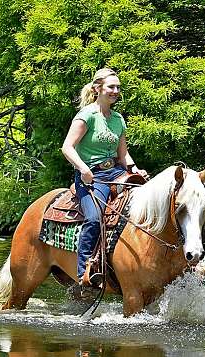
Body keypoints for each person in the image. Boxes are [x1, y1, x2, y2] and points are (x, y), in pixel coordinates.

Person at [61, 68, 147, 287]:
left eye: (118, 87)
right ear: (97, 89)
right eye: (111, 87)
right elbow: (67, 147)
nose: (115, 91)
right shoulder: (86, 116)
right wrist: (83, 169)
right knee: (93, 218)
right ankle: (84, 272)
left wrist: (135, 170)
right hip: (92, 175)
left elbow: (123, 154)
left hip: (116, 173)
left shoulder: (118, 119)